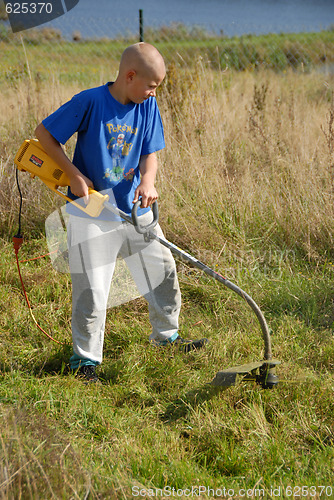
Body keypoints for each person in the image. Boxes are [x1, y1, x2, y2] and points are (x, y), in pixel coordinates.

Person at [35, 43, 208, 383]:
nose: (153, 93)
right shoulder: (89, 101)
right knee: (92, 290)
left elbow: (150, 152)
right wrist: (74, 175)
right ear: (130, 76)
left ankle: (166, 337)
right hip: (91, 211)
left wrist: (148, 181)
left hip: (135, 209)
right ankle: (85, 362)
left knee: (162, 272)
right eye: (151, 86)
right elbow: (45, 134)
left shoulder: (148, 106)